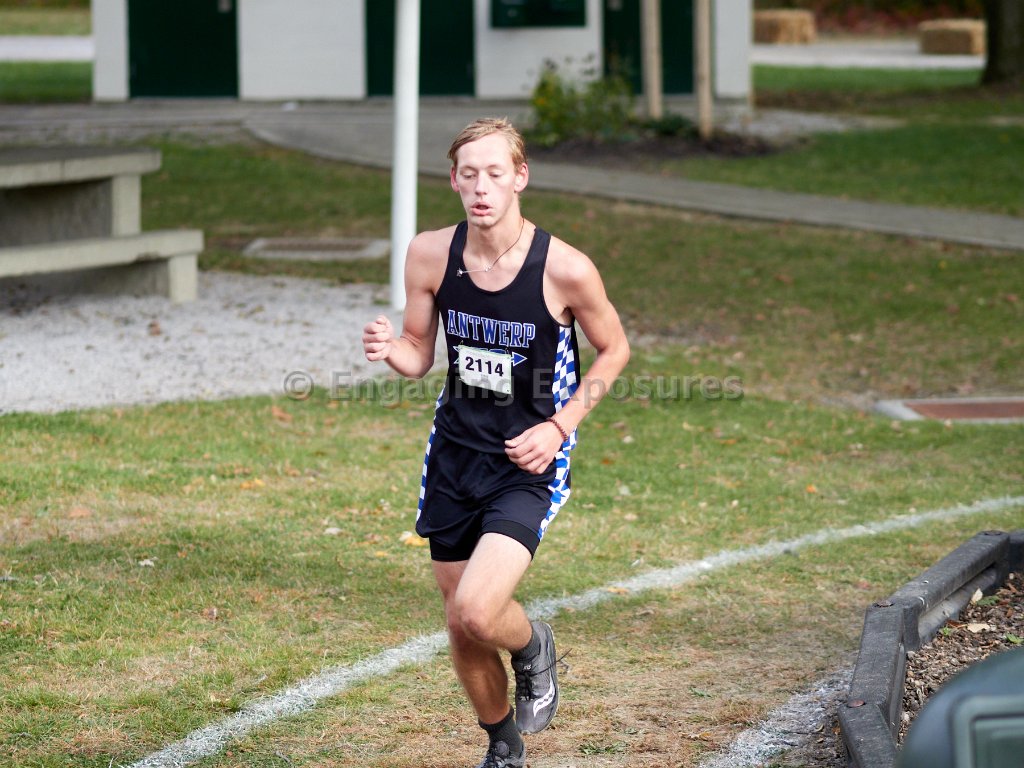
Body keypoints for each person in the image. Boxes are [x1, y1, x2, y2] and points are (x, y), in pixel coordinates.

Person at [362, 117, 630, 768]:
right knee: (460, 621)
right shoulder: (430, 254)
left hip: (527, 462)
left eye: (495, 174)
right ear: (454, 181)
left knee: (479, 612)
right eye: (469, 175)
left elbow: (615, 349)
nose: (482, 188)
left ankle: (534, 644)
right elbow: (419, 353)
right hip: (454, 457)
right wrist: (391, 349)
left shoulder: (564, 268)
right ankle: (503, 744)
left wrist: (559, 426)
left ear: (520, 178)